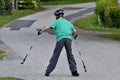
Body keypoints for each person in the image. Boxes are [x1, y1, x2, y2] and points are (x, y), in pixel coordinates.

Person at [38, 9, 79, 77]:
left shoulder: (56, 22)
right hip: (68, 39)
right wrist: (74, 36)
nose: (55, 17)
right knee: (70, 55)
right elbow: (75, 32)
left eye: (55, 16)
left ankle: (48, 71)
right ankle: (74, 71)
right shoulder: (68, 22)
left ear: (57, 15)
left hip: (60, 39)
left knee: (56, 54)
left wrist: (40, 32)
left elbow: (47, 27)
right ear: (62, 15)